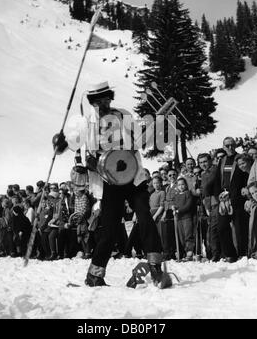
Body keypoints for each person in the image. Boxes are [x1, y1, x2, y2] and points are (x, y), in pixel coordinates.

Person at [53, 81, 171, 288]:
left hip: (133, 177)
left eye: (107, 99)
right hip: (108, 182)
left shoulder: (122, 115)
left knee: (144, 216)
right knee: (108, 231)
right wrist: (62, 143)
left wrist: (152, 128)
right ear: (92, 102)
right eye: (99, 101)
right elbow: (70, 142)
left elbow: (141, 140)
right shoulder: (86, 123)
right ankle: (95, 275)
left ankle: (156, 269)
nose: (104, 104)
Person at [214, 137, 249, 261]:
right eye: (227, 145)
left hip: (237, 198)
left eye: (232, 145)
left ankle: (242, 253)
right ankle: (230, 254)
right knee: (222, 227)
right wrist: (218, 194)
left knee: (239, 227)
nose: (230, 147)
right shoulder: (222, 161)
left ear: (235, 145)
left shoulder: (240, 158)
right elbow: (217, 180)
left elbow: (246, 176)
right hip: (224, 199)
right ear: (223, 147)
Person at [172, 177, 195, 261]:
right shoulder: (177, 195)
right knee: (181, 236)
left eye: (182, 184)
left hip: (186, 217)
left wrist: (178, 210)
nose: (181, 186)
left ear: (185, 185)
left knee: (188, 235)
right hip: (179, 219)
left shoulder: (188, 193)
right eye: (179, 185)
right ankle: (185, 252)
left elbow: (188, 206)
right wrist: (174, 207)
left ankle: (190, 252)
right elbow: (175, 204)